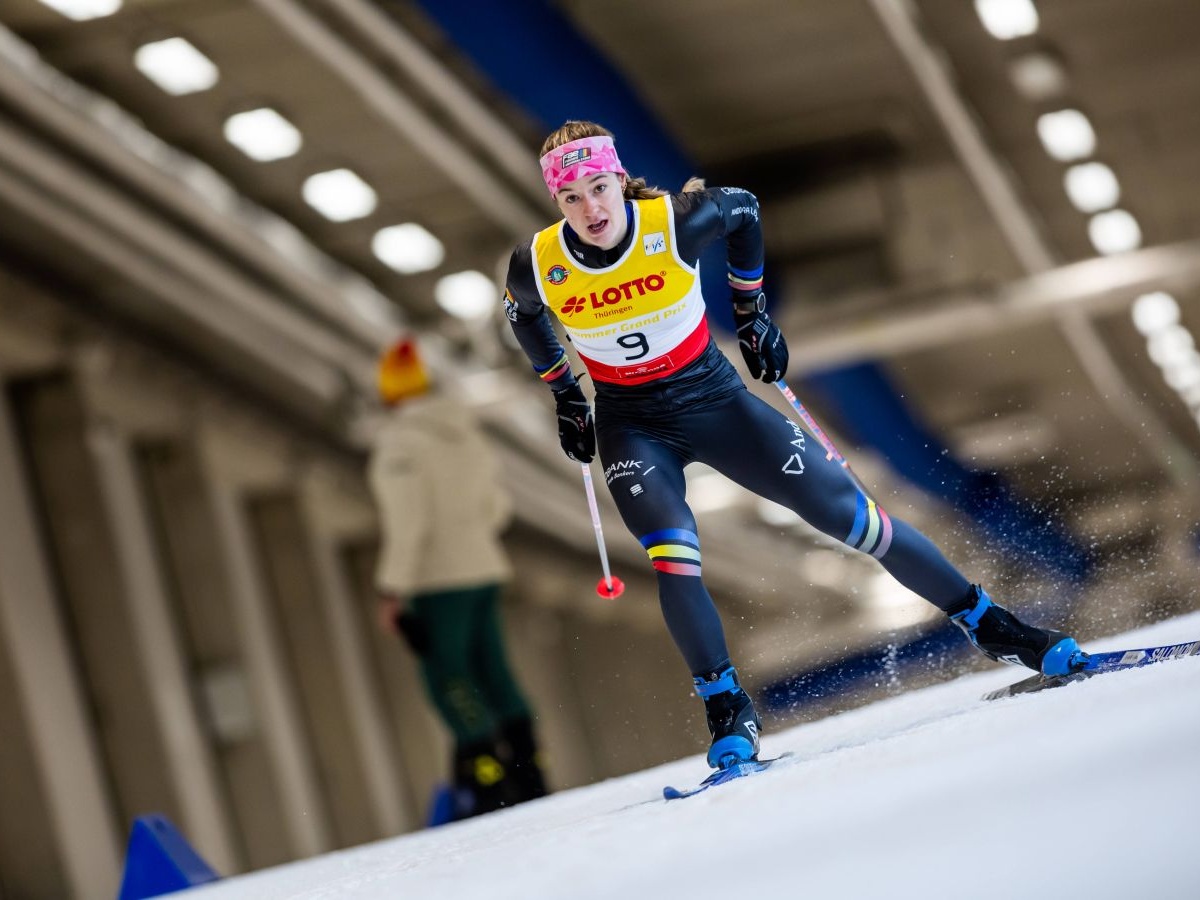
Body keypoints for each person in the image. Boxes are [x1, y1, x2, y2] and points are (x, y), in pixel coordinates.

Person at [502, 120, 1087, 772]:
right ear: (557, 203)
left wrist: (752, 313)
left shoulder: (674, 220)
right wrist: (563, 391)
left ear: (619, 180)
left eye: (600, 187)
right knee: (673, 552)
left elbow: (744, 209)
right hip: (633, 427)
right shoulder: (539, 262)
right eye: (573, 197)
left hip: (719, 407)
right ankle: (727, 706)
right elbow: (522, 313)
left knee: (856, 522)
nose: (591, 208)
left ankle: (993, 626)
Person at [368, 338, 549, 819]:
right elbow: (497, 508)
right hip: (484, 567)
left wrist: (391, 589)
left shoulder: (400, 443)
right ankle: (530, 767)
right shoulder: (465, 433)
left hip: (437, 580)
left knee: (448, 676)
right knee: (493, 667)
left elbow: (410, 522)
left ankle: (486, 775)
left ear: (389, 393)